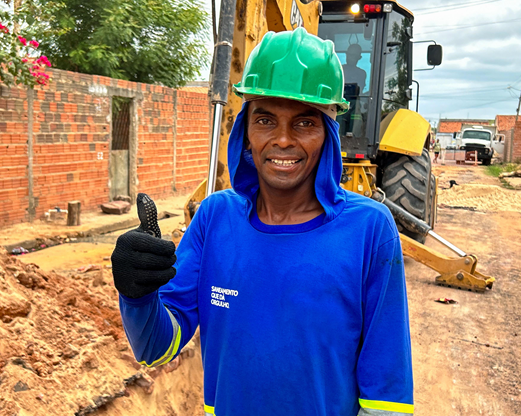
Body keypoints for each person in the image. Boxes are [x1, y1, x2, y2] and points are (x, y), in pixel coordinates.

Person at [111, 27, 413, 416]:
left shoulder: (370, 230)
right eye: (266, 120)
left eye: (305, 123)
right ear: (246, 132)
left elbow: (386, 392)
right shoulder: (214, 217)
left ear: (329, 135)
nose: (283, 140)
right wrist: (136, 295)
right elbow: (155, 346)